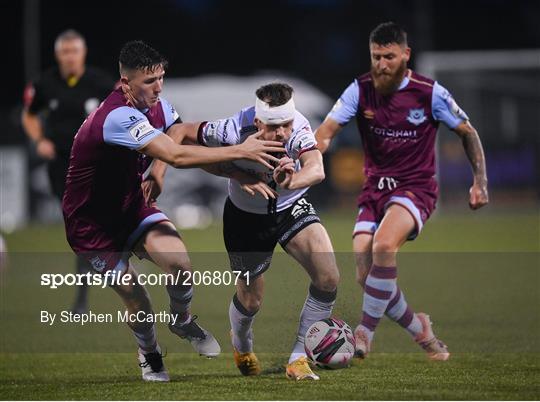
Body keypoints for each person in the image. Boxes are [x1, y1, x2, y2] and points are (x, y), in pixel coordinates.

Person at [62, 40, 285, 382]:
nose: (159, 87)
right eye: (149, 82)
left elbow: (183, 143)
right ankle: (150, 355)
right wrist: (240, 151)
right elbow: (176, 155)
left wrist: (234, 173)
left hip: (132, 207)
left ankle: (181, 319)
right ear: (126, 84)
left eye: (162, 77)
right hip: (92, 226)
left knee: (180, 263)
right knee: (137, 297)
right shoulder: (116, 117)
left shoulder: (159, 107)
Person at [315, 22, 489, 361]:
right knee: (367, 277)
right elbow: (326, 130)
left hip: (416, 188)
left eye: (389, 57)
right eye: (376, 56)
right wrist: (310, 153)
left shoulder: (430, 92)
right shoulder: (360, 90)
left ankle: (363, 333)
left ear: (406, 55)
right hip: (374, 191)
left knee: (383, 245)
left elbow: (468, 132)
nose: (381, 64)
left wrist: (480, 181)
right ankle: (421, 330)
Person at [149, 82, 340, 381]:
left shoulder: (298, 129)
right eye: (273, 126)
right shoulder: (230, 129)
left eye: (286, 125)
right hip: (245, 218)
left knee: (328, 277)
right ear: (257, 121)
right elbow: (180, 133)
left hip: (289, 208)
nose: (281, 134)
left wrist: (292, 182)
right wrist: (159, 174)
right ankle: (242, 344)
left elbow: (317, 169)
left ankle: (298, 358)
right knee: (251, 300)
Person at [22, 29, 115, 314]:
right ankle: (87, 287)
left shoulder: (99, 82)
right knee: (79, 226)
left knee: (90, 221)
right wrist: (39, 140)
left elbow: (121, 110)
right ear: (58, 54)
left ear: (83, 53)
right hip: (61, 164)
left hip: (95, 162)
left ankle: (84, 296)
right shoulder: (45, 83)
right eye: (65, 51)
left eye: (75, 51)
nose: (70, 57)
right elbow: (30, 115)